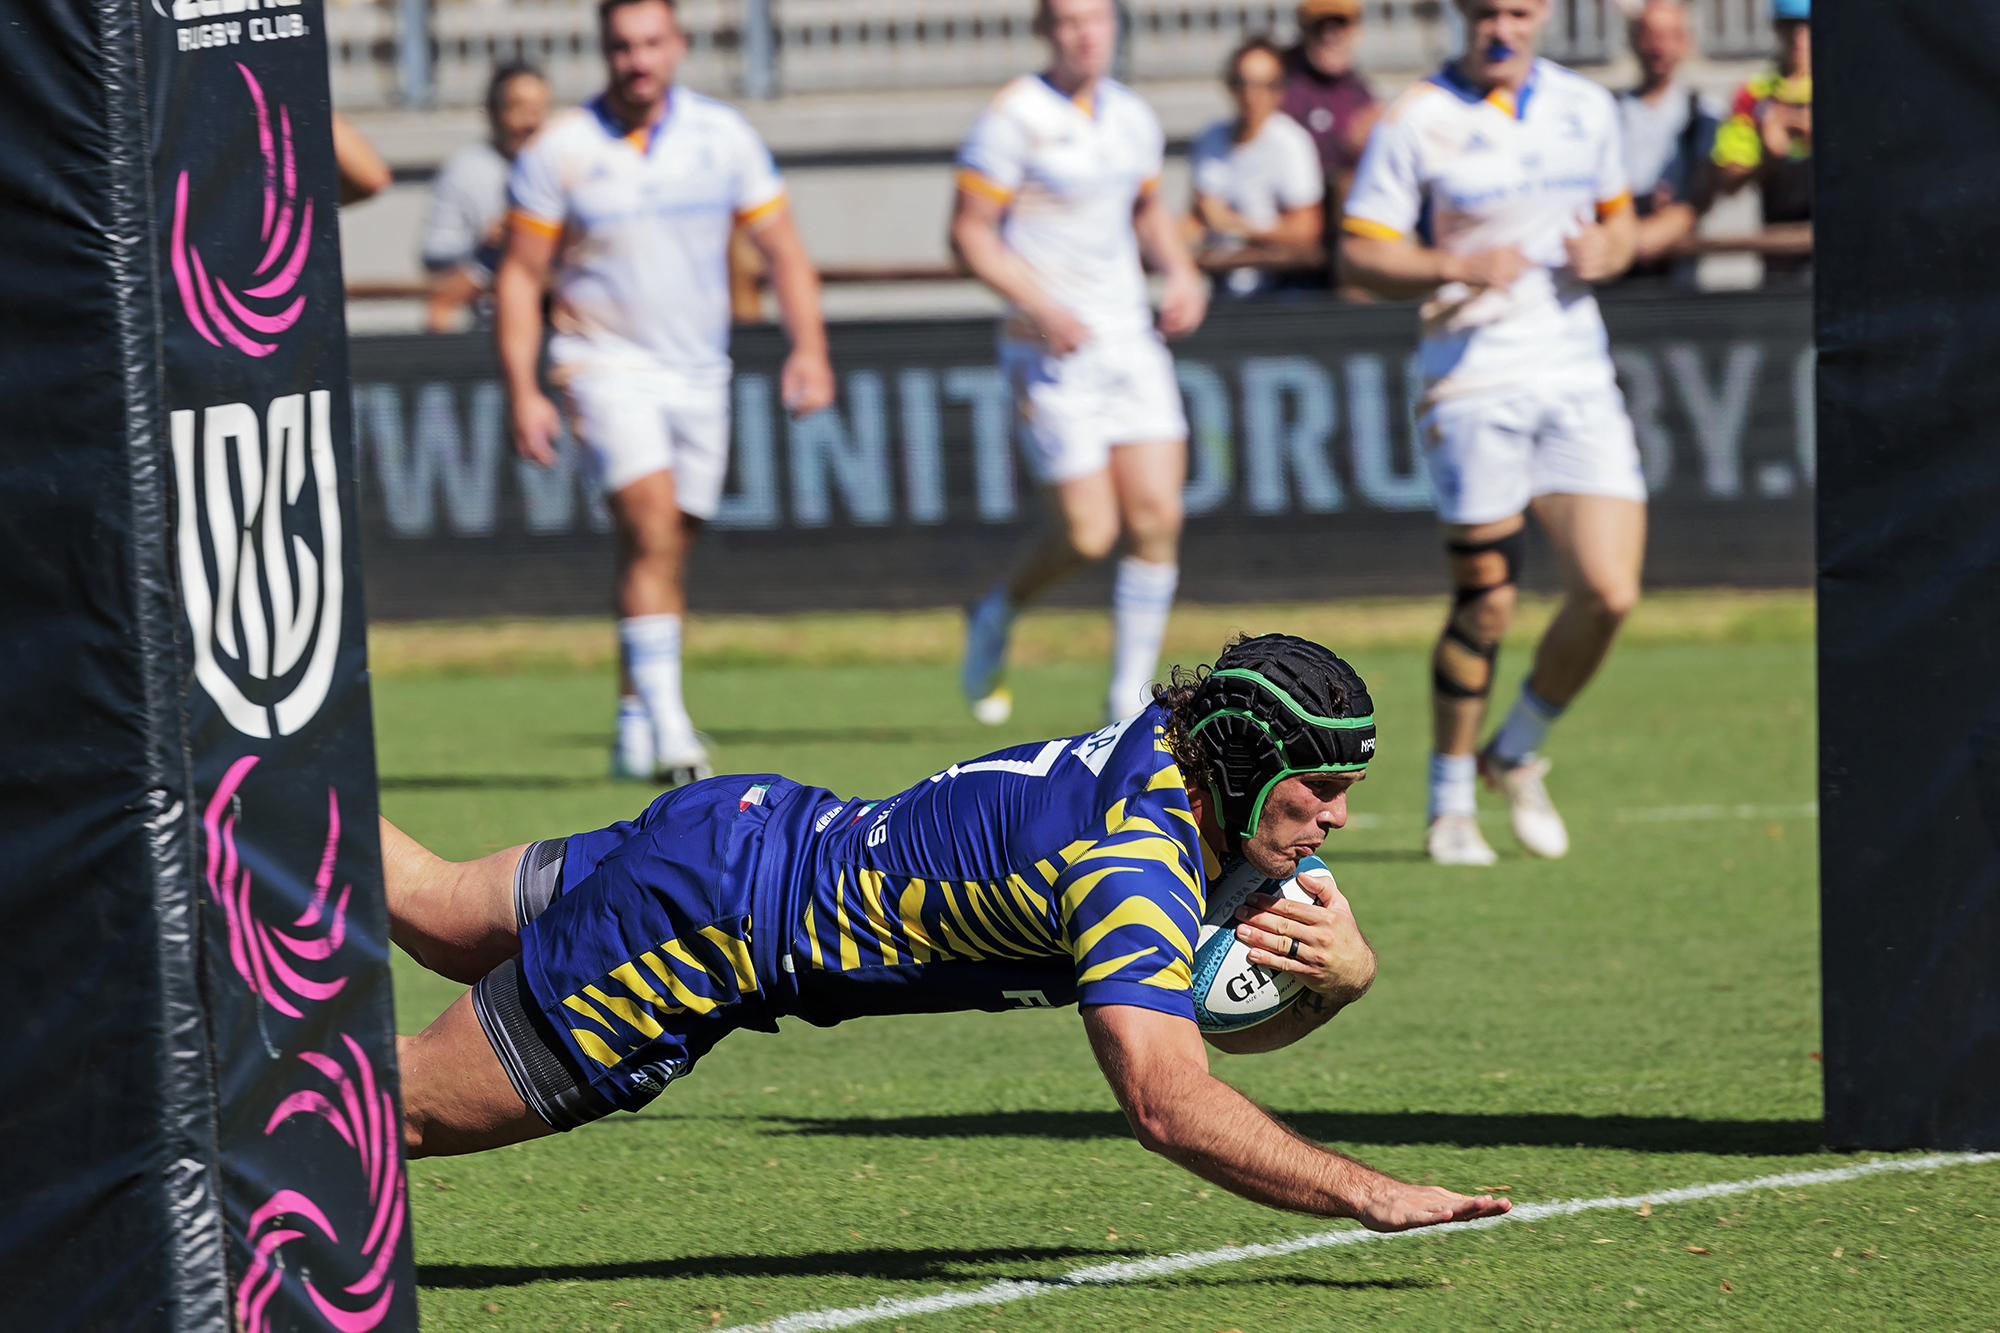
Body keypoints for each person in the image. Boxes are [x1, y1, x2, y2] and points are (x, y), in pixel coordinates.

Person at [385, 632, 1512, 1236]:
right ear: (1243, 760)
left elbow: (1198, 1005)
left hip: (735, 822)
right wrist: (1362, 1189)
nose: (1336, 820)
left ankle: (233, 797)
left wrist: (1335, 981)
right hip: (701, 928)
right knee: (400, 1116)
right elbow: (1172, 1100)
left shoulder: (1160, 756)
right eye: (1316, 787)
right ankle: (206, 1122)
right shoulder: (1130, 866)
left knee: (435, 907)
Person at [496, 0, 834, 786]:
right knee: (650, 527)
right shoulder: (563, 149)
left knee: (663, 544)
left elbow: (782, 249)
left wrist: (809, 348)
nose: (637, 59)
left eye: (651, 43)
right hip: (601, 364)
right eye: (622, 46)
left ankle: (630, 716)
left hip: (697, 374)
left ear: (677, 45)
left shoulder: (723, 137)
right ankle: (676, 735)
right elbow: (520, 276)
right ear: (603, 52)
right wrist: (524, 387)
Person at [1338, 0, 1641, 867]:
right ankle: (1449, 800)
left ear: (1540, 14)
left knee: (1610, 592)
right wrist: (1455, 262)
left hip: (1576, 371)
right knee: (1489, 600)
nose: (1499, 27)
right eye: (1483, 12)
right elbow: (1361, 250)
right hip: (1471, 380)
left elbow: (1617, 219)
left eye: (1516, 10)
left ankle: (1513, 749)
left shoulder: (1586, 106)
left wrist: (1611, 252)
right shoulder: (1418, 119)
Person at [951, 0, 1208, 729]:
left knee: (1158, 515)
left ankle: (1128, 700)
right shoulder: (1014, 116)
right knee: (1089, 532)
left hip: (1130, 341)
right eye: (1067, 20)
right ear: (1045, 31)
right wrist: (1038, 305)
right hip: (1051, 354)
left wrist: (1181, 272)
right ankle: (996, 611)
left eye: (1095, 18)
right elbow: (969, 233)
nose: (1084, 33)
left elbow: (1148, 211)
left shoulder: (1132, 115)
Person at [1186, 36, 1326, 300]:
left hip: (1280, 289)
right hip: (1220, 285)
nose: (1251, 95)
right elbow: (1197, 218)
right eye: (1242, 83)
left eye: (1265, 85)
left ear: (1279, 91)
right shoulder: (1210, 139)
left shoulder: (1290, 144)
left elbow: (1306, 231)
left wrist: (1235, 225)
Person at [421, 62, 552, 333]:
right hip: (488, 325)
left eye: (538, 110)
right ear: (494, 112)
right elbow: (435, 258)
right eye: (519, 109)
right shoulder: (466, 171)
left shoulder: (559, 166)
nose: (530, 122)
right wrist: (485, 245)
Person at [1615, 0, 1719, 279]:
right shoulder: (1607, 111)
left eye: (1669, 36)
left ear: (1686, 42)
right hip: (1619, 252)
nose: (1657, 47)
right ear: (1634, 40)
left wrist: (1670, 221)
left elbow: (1704, 191)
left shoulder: (1703, 112)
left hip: (1676, 259)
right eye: (1649, 35)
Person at [1713, 0, 1811, 281]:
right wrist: (1769, 158)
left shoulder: (1844, 90)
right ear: (1776, 28)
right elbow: (1727, 180)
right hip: (1777, 251)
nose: (1799, 37)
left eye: (1807, 27)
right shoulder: (1754, 95)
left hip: (1837, 247)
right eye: (1790, 26)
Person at [1279, 0, 1380, 220]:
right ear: (1303, 30)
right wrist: (1345, 144)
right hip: (1292, 218)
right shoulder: (1283, 82)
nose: (1330, 35)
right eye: (1320, 26)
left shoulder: (1358, 88)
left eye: (1339, 25)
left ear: (1356, 30)